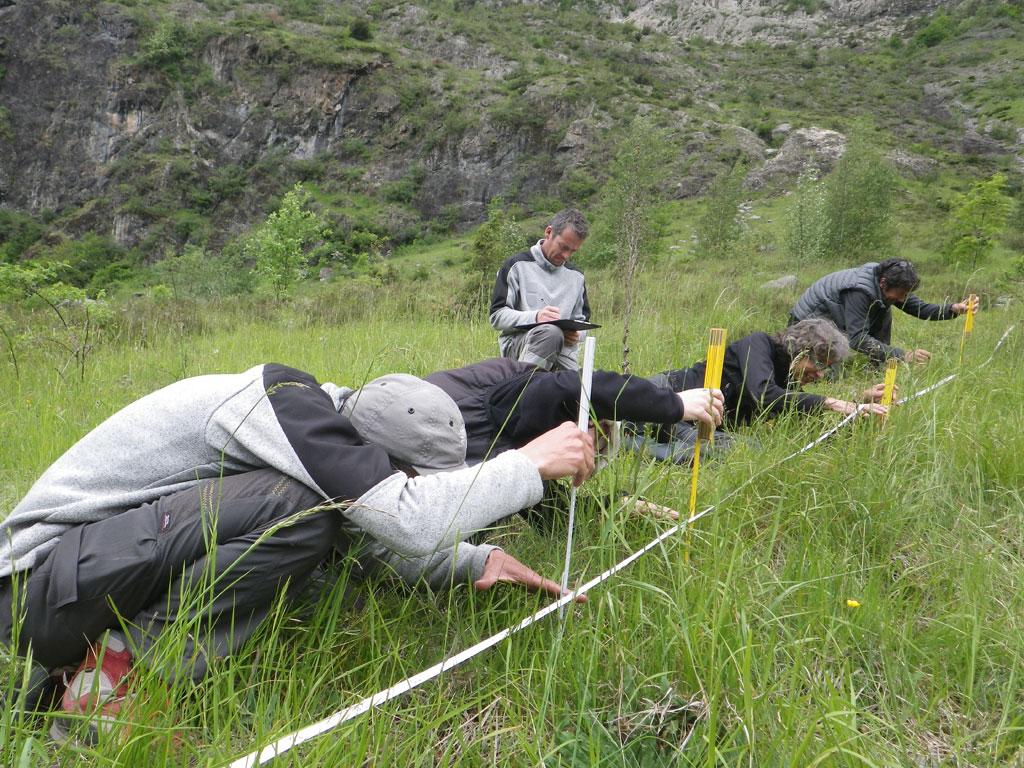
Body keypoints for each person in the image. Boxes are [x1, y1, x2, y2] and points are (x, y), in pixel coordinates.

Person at [0, 364, 594, 738]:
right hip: (33, 590)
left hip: (79, 582)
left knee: (313, 514)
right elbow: (399, 523)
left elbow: (373, 531)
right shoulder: (285, 407)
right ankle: (108, 685)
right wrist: (525, 464)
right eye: (406, 476)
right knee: (299, 512)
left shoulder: (314, 423)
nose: (407, 487)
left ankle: (72, 676)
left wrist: (472, 560)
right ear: (370, 447)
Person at [631, 319, 888, 463]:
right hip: (667, 399)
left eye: (826, 368)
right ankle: (633, 445)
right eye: (819, 363)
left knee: (743, 450)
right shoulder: (757, 344)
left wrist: (859, 403)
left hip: (698, 421)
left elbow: (806, 420)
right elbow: (764, 395)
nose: (820, 374)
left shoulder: (788, 379)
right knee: (737, 451)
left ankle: (639, 445)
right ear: (800, 350)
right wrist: (833, 402)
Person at [424, 357, 724, 465]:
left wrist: (616, 506)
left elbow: (548, 511)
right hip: (407, 430)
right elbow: (572, 386)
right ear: (593, 422)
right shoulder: (526, 394)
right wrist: (677, 405)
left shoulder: (530, 441)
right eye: (596, 450)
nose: (584, 463)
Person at [789, 258, 972, 365]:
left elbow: (920, 308)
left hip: (830, 321)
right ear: (884, 283)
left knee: (884, 309)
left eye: (906, 294)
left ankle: (878, 365)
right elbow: (857, 339)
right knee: (831, 375)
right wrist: (903, 355)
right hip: (805, 328)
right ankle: (882, 362)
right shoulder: (859, 292)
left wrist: (953, 309)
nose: (902, 299)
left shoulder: (887, 285)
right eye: (900, 294)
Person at [490, 208, 591, 371]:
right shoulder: (516, 266)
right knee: (550, 333)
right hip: (519, 348)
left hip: (564, 352)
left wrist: (577, 335)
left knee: (588, 388)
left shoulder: (577, 277)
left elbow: (583, 322)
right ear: (549, 232)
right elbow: (497, 317)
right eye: (563, 247)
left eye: (572, 251)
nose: (566, 256)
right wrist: (536, 317)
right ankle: (522, 388)